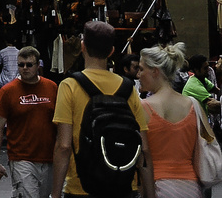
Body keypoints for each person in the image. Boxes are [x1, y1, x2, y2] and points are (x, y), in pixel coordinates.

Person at [51, 20, 153, 198]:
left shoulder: (69, 86)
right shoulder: (128, 88)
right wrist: (150, 195)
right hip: (123, 185)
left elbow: (64, 146)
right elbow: (144, 148)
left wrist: (55, 193)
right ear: (112, 51)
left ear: (82, 47)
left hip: (81, 187)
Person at [139, 42, 203, 198]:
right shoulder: (193, 105)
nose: (138, 75)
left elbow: (143, 155)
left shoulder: (142, 107)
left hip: (157, 184)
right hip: (191, 187)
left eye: (141, 69)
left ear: (155, 71)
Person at [0, 45, 56, 196]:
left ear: (38, 65)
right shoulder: (7, 91)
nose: (25, 68)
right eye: (21, 65)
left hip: (49, 157)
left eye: (29, 65)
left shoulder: (51, 87)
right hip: (21, 159)